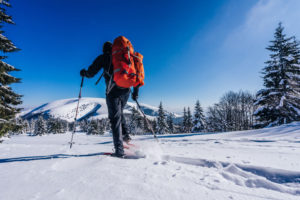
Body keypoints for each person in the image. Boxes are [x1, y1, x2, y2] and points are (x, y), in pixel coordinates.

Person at [80, 41, 139, 157]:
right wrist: (135, 93)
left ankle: (119, 150)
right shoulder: (125, 58)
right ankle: (126, 138)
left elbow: (91, 73)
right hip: (126, 90)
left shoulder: (103, 57)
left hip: (112, 92)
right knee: (120, 113)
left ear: (104, 49)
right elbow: (135, 74)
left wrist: (84, 73)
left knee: (115, 119)